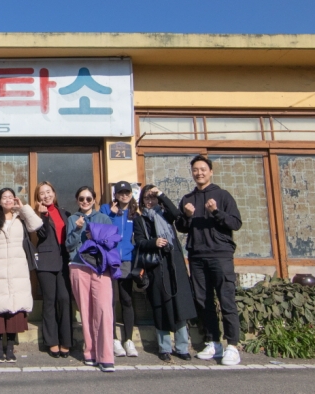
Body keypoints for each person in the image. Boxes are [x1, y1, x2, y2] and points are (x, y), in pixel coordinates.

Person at [175, 155, 243, 366]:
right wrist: (187, 216)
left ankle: (233, 345)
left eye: (203, 169)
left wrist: (216, 212)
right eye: (195, 170)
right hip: (196, 256)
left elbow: (235, 223)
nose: (199, 173)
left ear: (210, 172)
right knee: (203, 301)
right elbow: (181, 227)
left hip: (220, 254)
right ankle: (213, 342)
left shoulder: (223, 195)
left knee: (226, 299)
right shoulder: (188, 198)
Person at [133, 185, 197, 362]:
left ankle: (182, 347)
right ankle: (164, 347)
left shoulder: (165, 214)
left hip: (174, 264)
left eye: (153, 197)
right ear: (142, 201)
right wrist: (153, 242)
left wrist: (162, 194)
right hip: (156, 266)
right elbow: (139, 241)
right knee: (161, 306)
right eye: (146, 198)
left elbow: (177, 215)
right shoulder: (140, 220)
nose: (150, 201)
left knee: (179, 305)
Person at [0, 188, 43, 363]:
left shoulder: (20, 217)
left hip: (18, 269)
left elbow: (37, 225)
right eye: (4, 197)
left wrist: (23, 208)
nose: (8, 200)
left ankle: (10, 348)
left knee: (15, 309)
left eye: (11, 197)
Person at [66, 186, 116, 373]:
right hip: (78, 266)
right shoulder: (72, 219)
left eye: (88, 198)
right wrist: (77, 229)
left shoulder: (103, 218)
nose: (85, 202)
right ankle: (90, 352)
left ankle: (106, 356)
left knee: (103, 310)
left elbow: (112, 241)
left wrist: (95, 236)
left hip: (100, 268)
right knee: (85, 311)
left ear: (94, 200)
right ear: (77, 200)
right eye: (81, 199)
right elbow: (69, 245)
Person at [34, 181, 73, 358]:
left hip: (64, 261)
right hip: (46, 262)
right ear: (38, 197)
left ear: (54, 193)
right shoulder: (36, 215)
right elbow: (41, 234)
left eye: (48, 192)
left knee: (64, 299)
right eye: (42, 193)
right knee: (49, 301)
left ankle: (66, 341)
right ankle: (52, 342)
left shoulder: (65, 213)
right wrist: (43, 215)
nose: (46, 196)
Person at [99, 181, 138, 358]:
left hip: (127, 260)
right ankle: (114, 339)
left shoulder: (134, 213)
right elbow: (100, 230)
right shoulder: (106, 210)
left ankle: (128, 339)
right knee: (111, 300)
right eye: (120, 192)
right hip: (110, 260)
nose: (124, 195)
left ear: (131, 194)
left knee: (127, 299)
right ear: (115, 194)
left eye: (127, 192)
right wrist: (112, 215)